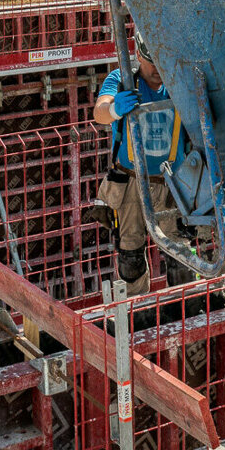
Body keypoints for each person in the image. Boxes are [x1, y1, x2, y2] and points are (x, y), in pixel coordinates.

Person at [92, 38, 190, 294]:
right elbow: (100, 112)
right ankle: (138, 312)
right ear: (139, 55)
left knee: (180, 255)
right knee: (130, 255)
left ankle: (188, 306)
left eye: (162, 61)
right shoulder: (122, 79)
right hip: (131, 182)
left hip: (171, 183)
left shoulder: (179, 81)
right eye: (151, 61)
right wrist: (115, 109)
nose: (157, 68)